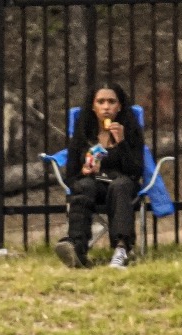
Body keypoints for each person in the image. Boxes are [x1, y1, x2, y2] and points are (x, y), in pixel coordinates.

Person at [54, 84, 146, 271]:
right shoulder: (83, 135)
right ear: (93, 106)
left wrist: (121, 143)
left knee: (121, 185)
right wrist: (84, 172)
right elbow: (71, 176)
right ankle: (76, 248)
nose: (106, 107)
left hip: (121, 186)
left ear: (119, 107)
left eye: (111, 102)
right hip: (93, 186)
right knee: (83, 186)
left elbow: (136, 171)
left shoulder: (130, 132)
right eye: (101, 102)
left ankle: (122, 248)